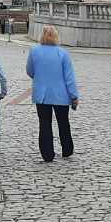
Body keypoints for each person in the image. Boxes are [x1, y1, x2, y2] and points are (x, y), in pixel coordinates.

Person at [26, 25, 80, 163]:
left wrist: (40, 77)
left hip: (42, 94)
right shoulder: (63, 53)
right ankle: (67, 149)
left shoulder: (34, 51)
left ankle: (47, 153)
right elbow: (69, 77)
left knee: (44, 123)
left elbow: (30, 71)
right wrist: (74, 95)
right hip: (61, 94)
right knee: (63, 122)